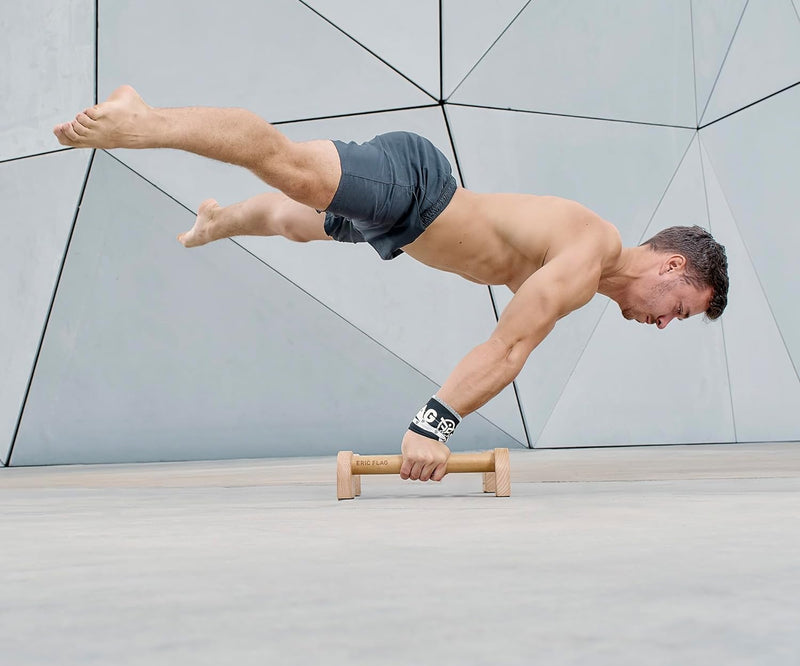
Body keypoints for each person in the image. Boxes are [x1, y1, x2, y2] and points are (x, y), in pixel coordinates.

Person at [54, 86, 729, 482]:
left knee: (294, 220)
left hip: (404, 226)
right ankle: (142, 119)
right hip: (418, 190)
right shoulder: (590, 251)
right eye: (680, 308)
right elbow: (508, 349)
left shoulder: (590, 264)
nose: (666, 322)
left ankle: (220, 218)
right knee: (291, 168)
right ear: (672, 268)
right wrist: (430, 426)